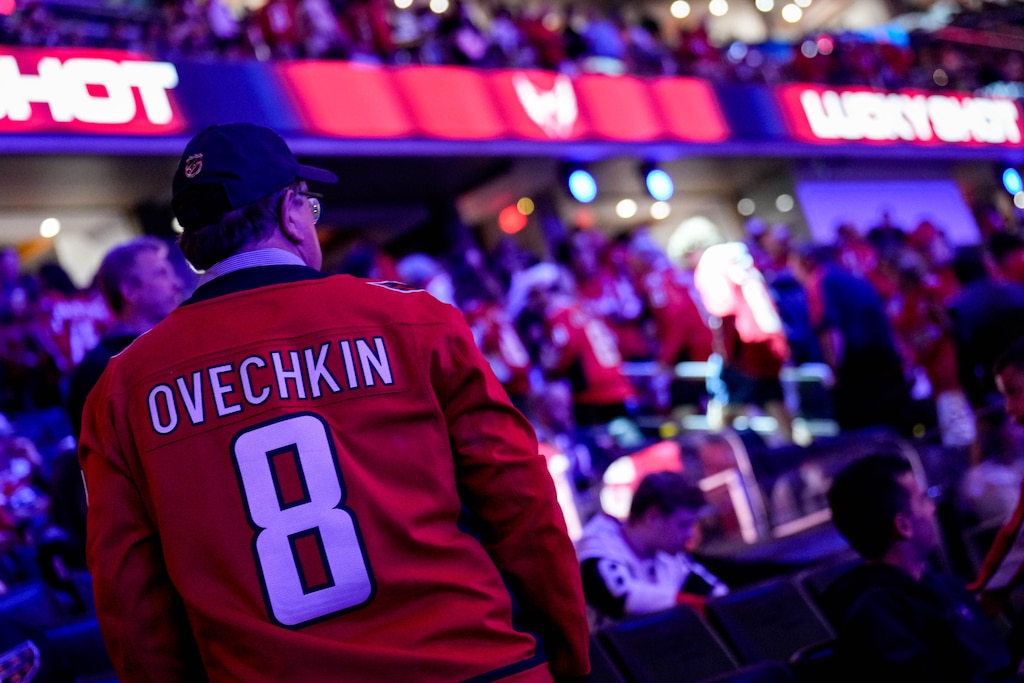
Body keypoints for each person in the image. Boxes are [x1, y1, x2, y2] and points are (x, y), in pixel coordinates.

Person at [78, 123, 590, 682]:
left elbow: (131, 600)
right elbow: (523, 505)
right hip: (470, 663)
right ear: (290, 214)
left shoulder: (120, 392)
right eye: (310, 206)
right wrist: (568, 655)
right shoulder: (414, 320)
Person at [823, 454, 1015, 682]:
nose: (933, 509)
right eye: (923, 499)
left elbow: (997, 661)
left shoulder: (945, 587)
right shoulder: (878, 615)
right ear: (904, 526)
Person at [65, 236, 186, 441]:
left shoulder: (182, 343)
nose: (177, 283)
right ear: (130, 291)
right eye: (161, 274)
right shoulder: (98, 371)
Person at [575, 470, 727, 627]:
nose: (690, 534)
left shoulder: (669, 555)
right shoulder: (597, 544)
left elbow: (716, 595)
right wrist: (692, 604)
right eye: (683, 525)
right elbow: (621, 597)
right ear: (652, 516)